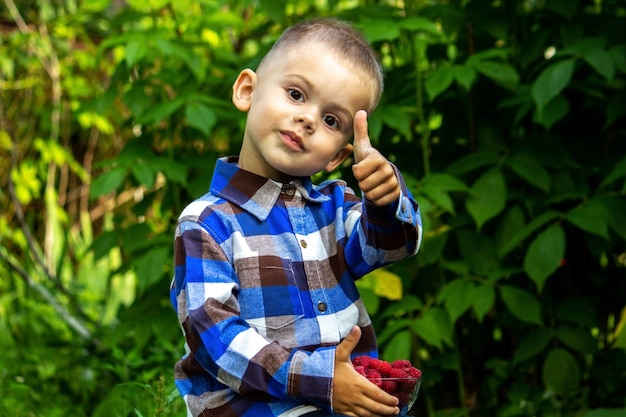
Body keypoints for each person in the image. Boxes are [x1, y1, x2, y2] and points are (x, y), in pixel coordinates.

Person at [170, 17, 422, 417]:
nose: (307, 119)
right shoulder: (207, 223)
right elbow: (215, 339)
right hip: (253, 406)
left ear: (337, 156)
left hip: (344, 400)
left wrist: (386, 200)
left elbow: (388, 249)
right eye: (295, 94)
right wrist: (318, 379)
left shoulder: (336, 206)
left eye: (331, 121)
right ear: (247, 90)